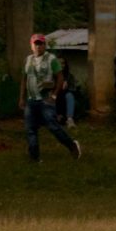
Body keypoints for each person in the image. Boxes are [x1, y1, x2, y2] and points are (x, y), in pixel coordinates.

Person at [20, 34, 81, 162]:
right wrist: (21, 97)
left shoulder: (51, 59)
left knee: (52, 126)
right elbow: (24, 79)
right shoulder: (28, 60)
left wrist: (54, 95)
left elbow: (60, 77)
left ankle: (71, 145)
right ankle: (34, 157)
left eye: (41, 43)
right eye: (36, 44)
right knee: (30, 129)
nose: (38, 46)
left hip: (45, 98)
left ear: (45, 45)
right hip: (31, 99)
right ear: (31, 46)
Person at [56, 57, 80, 129]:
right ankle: (58, 116)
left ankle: (69, 119)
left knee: (69, 95)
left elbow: (74, 89)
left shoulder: (69, 76)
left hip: (65, 99)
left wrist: (67, 86)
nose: (61, 65)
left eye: (63, 63)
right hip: (55, 99)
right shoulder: (51, 75)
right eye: (58, 63)